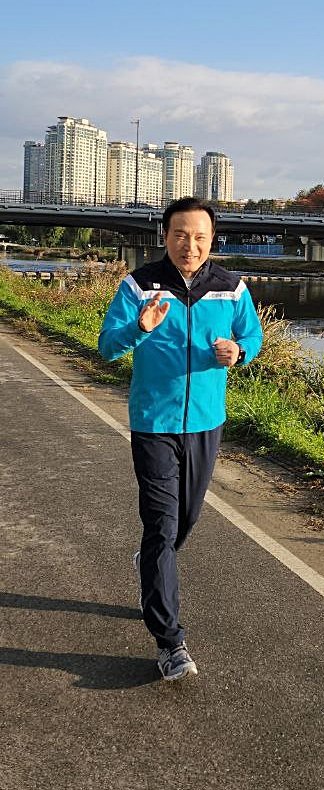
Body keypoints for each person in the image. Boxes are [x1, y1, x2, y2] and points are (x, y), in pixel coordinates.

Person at [98, 197, 263, 681]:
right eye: (179, 235)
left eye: (199, 237)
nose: (189, 246)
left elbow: (250, 337)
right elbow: (107, 346)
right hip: (153, 422)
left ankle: (152, 561)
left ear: (212, 240)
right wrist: (138, 327)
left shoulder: (231, 287)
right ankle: (170, 641)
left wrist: (240, 351)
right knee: (162, 527)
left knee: (184, 521)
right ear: (164, 235)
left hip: (206, 421)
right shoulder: (139, 285)